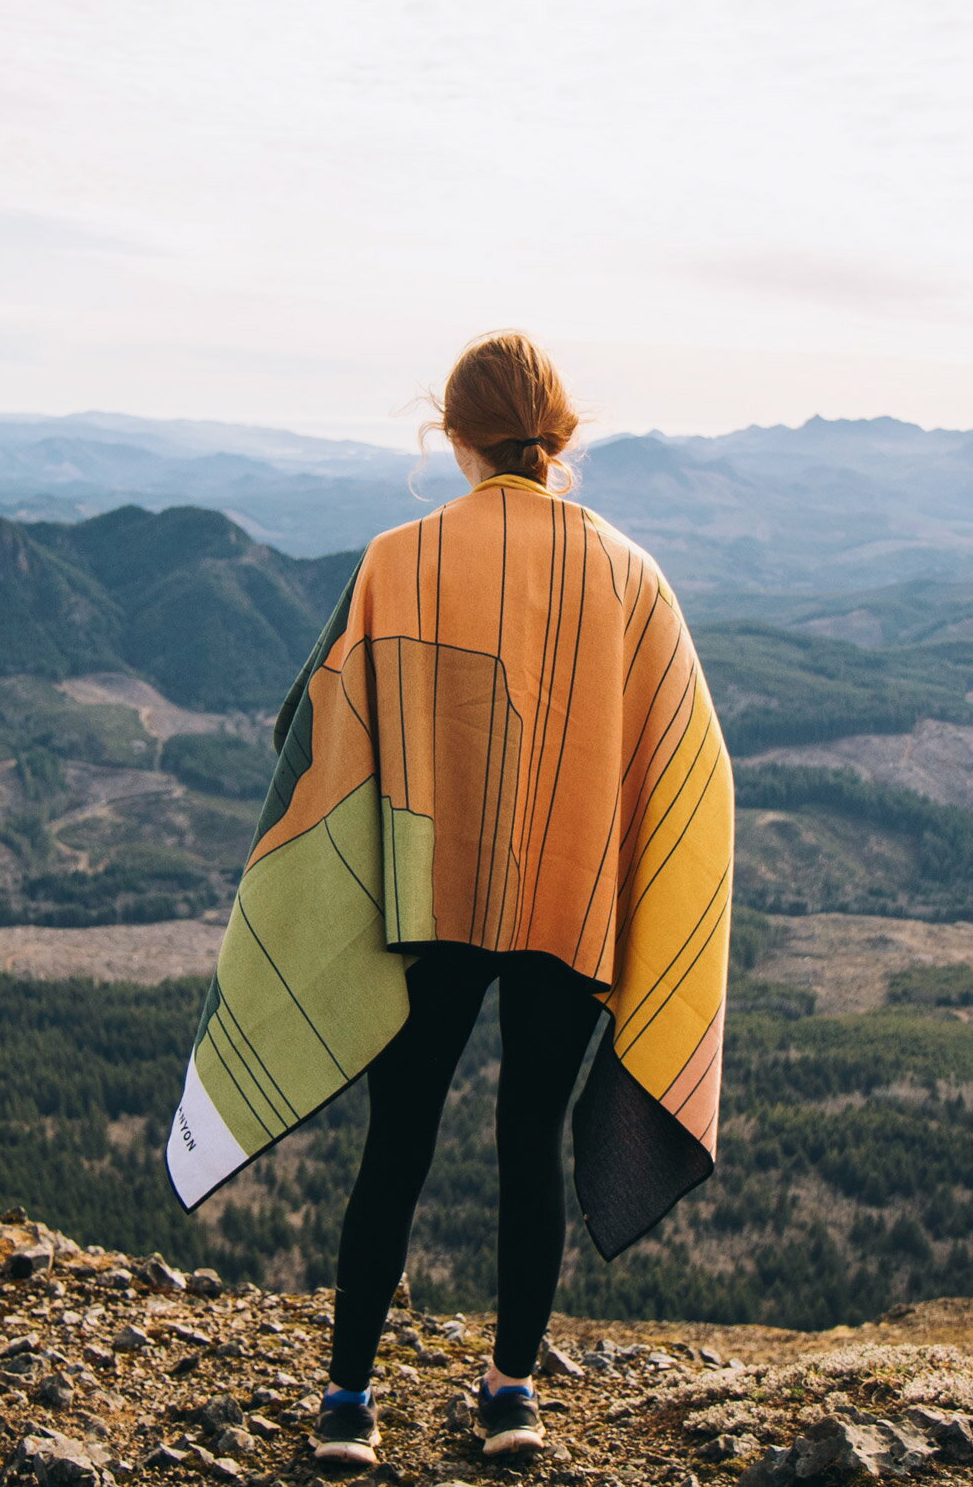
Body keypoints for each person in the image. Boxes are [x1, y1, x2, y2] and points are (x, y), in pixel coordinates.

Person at [165, 329, 733, 1468]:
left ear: (452, 435)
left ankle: (346, 1406)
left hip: (425, 906)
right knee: (527, 1138)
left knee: (399, 1143)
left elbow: (313, 732)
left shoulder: (399, 559)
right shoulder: (631, 575)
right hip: (568, 909)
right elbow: (692, 765)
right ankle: (513, 1394)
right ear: (560, 438)